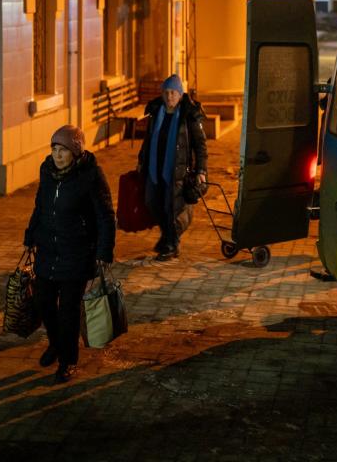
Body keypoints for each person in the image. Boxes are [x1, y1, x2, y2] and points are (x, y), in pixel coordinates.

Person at [24, 125, 116, 383]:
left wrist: (104, 251)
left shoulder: (91, 175)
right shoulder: (47, 171)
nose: (57, 154)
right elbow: (40, 204)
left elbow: (106, 216)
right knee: (44, 303)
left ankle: (68, 360)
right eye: (54, 148)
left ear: (75, 152)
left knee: (68, 310)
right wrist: (31, 234)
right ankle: (56, 343)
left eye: (63, 149)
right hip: (48, 251)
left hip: (77, 252)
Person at [137, 74, 208, 261]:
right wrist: (141, 160)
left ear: (180, 94)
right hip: (155, 168)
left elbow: (200, 145)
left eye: (173, 93)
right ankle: (168, 235)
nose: (169, 97)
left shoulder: (189, 114)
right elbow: (148, 139)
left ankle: (172, 243)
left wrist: (201, 171)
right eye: (166, 93)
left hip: (177, 170)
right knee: (152, 201)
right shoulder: (156, 112)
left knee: (173, 207)